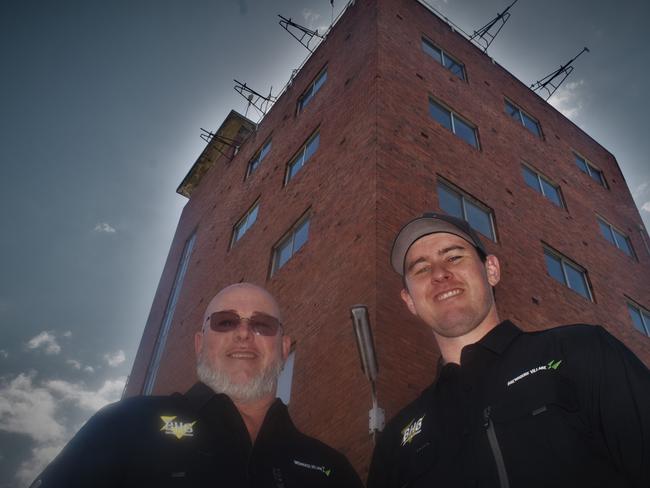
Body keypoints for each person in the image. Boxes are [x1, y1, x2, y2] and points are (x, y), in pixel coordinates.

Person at [367, 212, 650, 488]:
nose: (440, 274)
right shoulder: (395, 441)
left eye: (454, 257)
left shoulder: (580, 351)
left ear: (491, 270)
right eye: (422, 269)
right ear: (409, 301)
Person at [32, 283, 363, 488]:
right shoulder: (125, 424)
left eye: (262, 324)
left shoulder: (332, 468)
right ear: (199, 343)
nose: (243, 333)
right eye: (226, 321)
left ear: (284, 348)